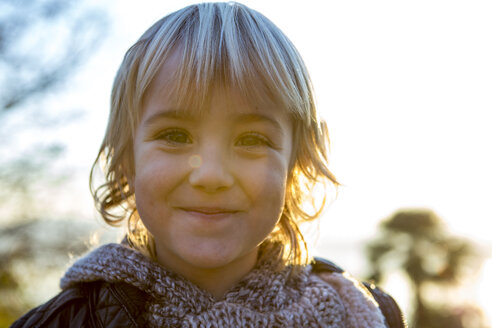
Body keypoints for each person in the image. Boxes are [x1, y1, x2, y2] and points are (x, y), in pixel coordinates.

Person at [12, 2, 405, 327]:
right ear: (127, 160)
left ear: (295, 164)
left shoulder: (367, 314)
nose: (211, 175)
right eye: (175, 136)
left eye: (252, 140)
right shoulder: (64, 321)